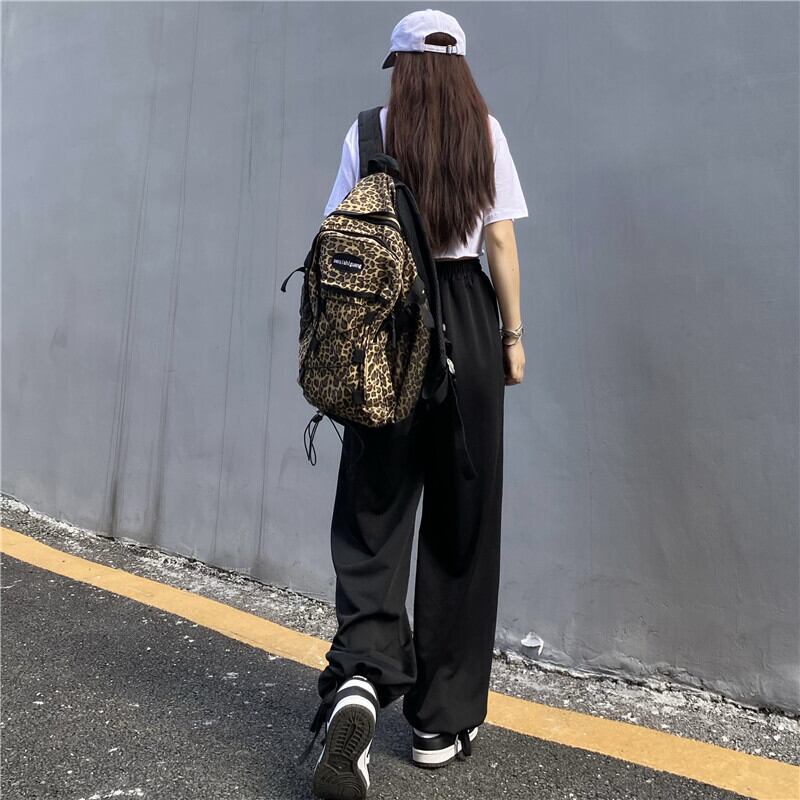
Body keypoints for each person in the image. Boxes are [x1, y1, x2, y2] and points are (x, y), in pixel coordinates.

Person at [301, 9, 528, 800]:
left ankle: (360, 680)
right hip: (466, 319)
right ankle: (439, 722)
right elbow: (499, 241)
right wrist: (513, 338)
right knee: (463, 522)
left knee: (375, 510)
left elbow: (337, 233)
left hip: (385, 331)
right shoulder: (483, 132)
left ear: (398, 66)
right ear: (461, 68)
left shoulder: (368, 131)